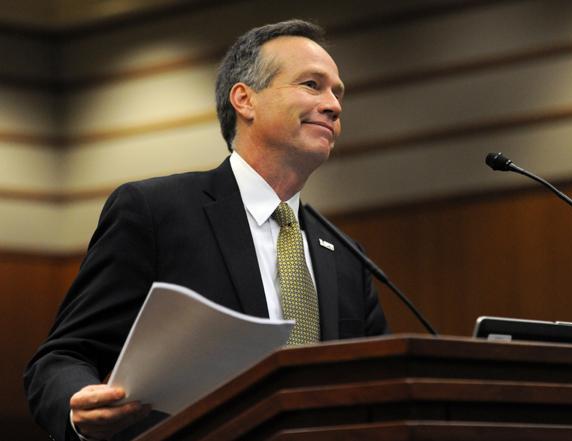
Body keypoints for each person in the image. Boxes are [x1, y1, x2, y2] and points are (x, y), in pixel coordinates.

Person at [24, 19, 388, 441]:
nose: (333, 105)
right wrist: (78, 407)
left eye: (337, 93)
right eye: (312, 84)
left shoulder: (345, 256)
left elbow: (380, 383)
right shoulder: (156, 212)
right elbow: (63, 356)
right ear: (244, 100)